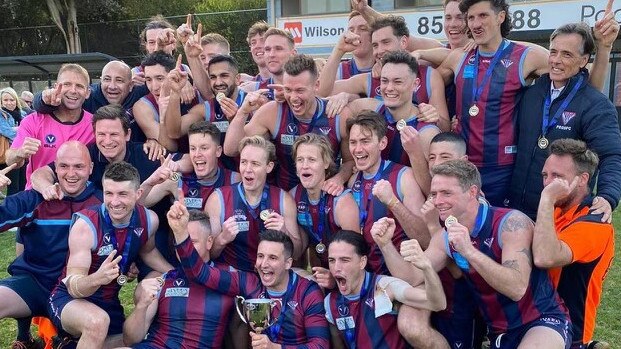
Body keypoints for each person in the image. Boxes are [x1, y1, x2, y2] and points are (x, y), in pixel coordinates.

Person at [397, 159, 571, 348]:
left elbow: (516, 288)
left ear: (472, 192)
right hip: (499, 330)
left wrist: (469, 250)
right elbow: (412, 277)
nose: (437, 201)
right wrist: (385, 244)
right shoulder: (444, 237)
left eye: (446, 193)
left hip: (541, 319)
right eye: (434, 194)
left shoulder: (511, 224)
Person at [48, 161, 172, 348]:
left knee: (133, 339)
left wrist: (178, 274)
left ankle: (69, 345)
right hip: (69, 299)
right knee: (97, 323)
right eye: (109, 193)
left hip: (108, 302)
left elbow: (149, 252)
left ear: (138, 194)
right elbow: (74, 286)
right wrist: (97, 278)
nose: (114, 202)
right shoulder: (86, 226)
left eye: (122, 194)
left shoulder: (149, 219)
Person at [509, 22, 621, 221]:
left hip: (563, 215)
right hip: (519, 209)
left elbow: (611, 155)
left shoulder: (596, 105)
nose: (556, 60)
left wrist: (607, 195)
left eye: (567, 54)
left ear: (583, 60)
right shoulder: (531, 95)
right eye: (553, 52)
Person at [171, 216, 330, 348]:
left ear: (288, 263)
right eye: (260, 256)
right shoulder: (249, 282)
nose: (264, 264)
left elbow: (320, 345)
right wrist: (180, 234)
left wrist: (276, 348)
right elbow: (200, 272)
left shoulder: (308, 291)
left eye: (272, 258)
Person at [0, 142, 102, 349]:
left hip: (75, 291)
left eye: (79, 166)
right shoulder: (36, 198)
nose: (71, 173)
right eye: (64, 166)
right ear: (55, 167)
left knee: (91, 332)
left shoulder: (102, 202)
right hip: (33, 284)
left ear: (91, 168)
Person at [225, 54, 353, 192]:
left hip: (323, 195)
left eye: (300, 90)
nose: (293, 98)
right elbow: (231, 150)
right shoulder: (273, 111)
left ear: (316, 85)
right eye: (288, 90)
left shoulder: (337, 114)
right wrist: (243, 112)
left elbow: (350, 161)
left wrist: (339, 179)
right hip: (283, 196)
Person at [534, 139, 614, 349]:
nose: (547, 183)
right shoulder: (559, 209)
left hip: (571, 333)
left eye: (557, 176)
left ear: (582, 179)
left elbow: (545, 257)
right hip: (540, 319)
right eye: (545, 175)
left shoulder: (596, 223)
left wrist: (545, 200)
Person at [122, 208, 235, 348]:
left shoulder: (229, 277)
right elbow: (130, 340)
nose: (184, 249)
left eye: (191, 242)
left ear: (209, 242)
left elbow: (241, 325)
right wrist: (141, 306)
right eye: (179, 243)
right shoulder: (165, 279)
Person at [318, 15, 450, 132]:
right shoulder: (368, 79)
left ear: (403, 42)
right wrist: (339, 50)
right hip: (381, 157)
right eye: (375, 45)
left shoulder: (428, 75)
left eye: (386, 42)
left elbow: (445, 126)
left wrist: (435, 117)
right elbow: (321, 92)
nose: (380, 50)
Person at [324, 229, 446, 348]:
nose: (336, 267)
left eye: (344, 260)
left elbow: (436, 304)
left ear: (362, 262)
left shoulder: (385, 287)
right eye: (332, 260)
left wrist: (427, 268)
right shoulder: (330, 303)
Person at [341, 50, 441, 194]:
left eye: (398, 81)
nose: (389, 88)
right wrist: (343, 96)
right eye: (384, 81)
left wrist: (415, 154)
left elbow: (432, 193)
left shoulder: (426, 132)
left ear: (415, 84)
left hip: (406, 210)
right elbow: (328, 104)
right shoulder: (371, 108)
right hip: (371, 205)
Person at [204, 135, 303, 272]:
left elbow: (297, 254)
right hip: (233, 274)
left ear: (269, 167)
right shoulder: (218, 199)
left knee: (309, 280)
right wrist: (222, 239)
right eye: (244, 162)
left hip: (271, 274)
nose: (248, 169)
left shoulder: (283, 200)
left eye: (255, 164)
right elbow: (209, 254)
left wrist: (284, 231)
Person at [346, 110, 428, 274]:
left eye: (365, 141)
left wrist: (393, 203)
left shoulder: (404, 177)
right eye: (353, 142)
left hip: (403, 275)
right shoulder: (353, 181)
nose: (358, 149)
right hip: (367, 277)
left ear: (382, 143)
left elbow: (425, 238)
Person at [6, 64, 95, 189]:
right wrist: (20, 152)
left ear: (87, 92)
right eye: (67, 84)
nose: (73, 90)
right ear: (56, 87)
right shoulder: (33, 121)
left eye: (79, 86)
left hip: (77, 200)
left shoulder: (94, 124)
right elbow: (10, 159)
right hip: (38, 196)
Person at [164, 54, 246, 171]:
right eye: (213, 77)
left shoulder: (252, 105)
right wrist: (175, 92)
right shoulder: (205, 109)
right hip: (218, 178)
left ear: (237, 79)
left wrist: (236, 120)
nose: (218, 82)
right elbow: (174, 132)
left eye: (224, 76)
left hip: (249, 177)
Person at [290, 133, 360, 269]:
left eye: (311, 160)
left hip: (348, 272)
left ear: (326, 163)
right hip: (320, 271)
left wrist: (333, 277)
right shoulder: (292, 197)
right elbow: (297, 252)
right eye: (300, 160)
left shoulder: (342, 201)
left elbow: (355, 254)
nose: (305, 166)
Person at [140, 121, 240, 210]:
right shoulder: (176, 179)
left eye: (204, 148)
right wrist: (151, 181)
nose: (197, 154)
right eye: (193, 148)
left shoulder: (234, 180)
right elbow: (138, 204)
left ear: (218, 151)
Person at [132, 51, 196, 152]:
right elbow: (170, 147)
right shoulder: (142, 107)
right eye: (148, 80)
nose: (154, 87)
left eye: (160, 78)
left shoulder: (191, 94)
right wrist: (162, 118)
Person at [240, 27, 297, 100]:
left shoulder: (310, 89)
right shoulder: (251, 91)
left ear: (293, 54)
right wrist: (242, 111)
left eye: (278, 49)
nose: (271, 54)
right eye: (267, 49)